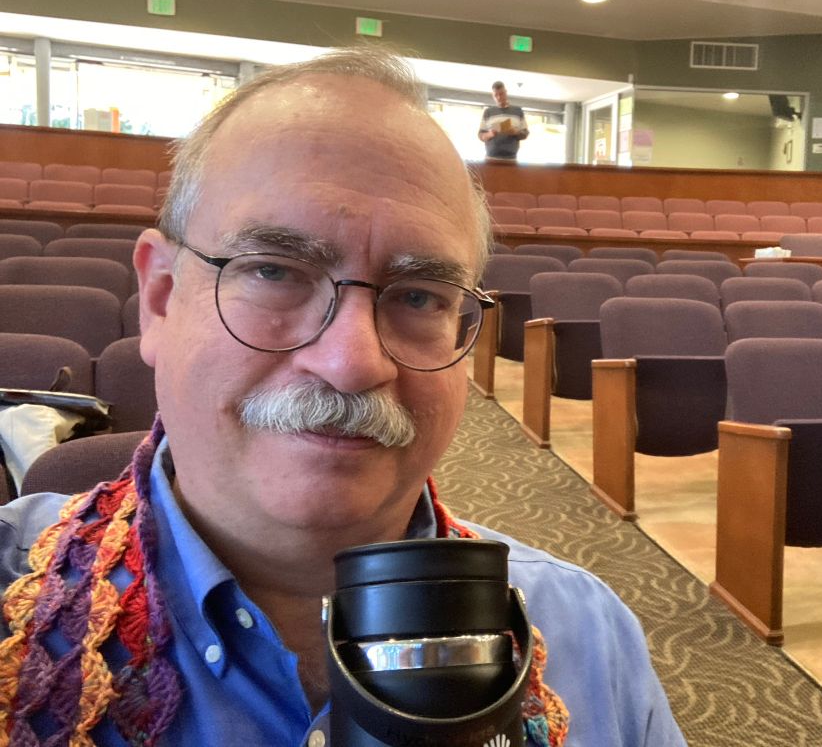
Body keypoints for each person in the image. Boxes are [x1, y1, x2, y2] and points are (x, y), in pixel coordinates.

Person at [0, 48, 686, 746]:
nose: (353, 362)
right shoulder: (12, 605)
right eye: (274, 270)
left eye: (419, 295)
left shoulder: (589, 636)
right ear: (160, 299)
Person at [478, 80, 530, 160]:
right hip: (490, 158)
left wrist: (515, 132)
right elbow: (481, 135)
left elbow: (525, 133)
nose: (499, 97)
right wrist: (490, 134)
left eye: (501, 94)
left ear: (506, 92)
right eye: (496, 95)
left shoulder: (518, 111)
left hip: (511, 159)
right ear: (493, 96)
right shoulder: (488, 112)